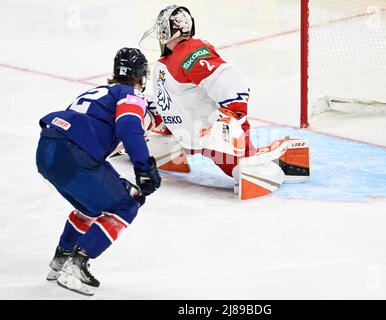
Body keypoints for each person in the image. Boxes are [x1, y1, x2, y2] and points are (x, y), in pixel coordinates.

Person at [35, 47, 161, 296]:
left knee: (91, 206)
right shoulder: (130, 94)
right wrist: (144, 168)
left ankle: (62, 258)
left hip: (47, 148)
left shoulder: (97, 92)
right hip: (74, 153)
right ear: (140, 75)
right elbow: (128, 127)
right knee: (126, 206)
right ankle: (77, 265)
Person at [140, 5, 255, 180]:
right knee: (239, 168)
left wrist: (231, 117)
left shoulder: (190, 51)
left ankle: (255, 163)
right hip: (190, 137)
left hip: (208, 138)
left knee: (244, 169)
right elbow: (174, 99)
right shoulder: (165, 63)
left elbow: (229, 81)